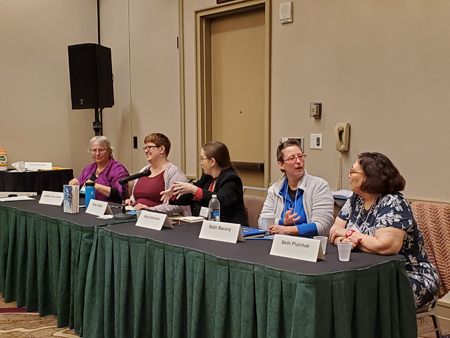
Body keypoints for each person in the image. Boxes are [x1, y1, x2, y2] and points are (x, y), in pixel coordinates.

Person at [329, 152, 439, 308]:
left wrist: (349, 235)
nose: (349, 176)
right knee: (342, 294)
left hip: (408, 276)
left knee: (358, 301)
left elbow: (385, 246)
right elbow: (334, 231)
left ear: (368, 176)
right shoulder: (356, 198)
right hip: (369, 274)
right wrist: (345, 241)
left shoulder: (393, 202)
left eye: (352, 171)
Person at [258, 139, 334, 237]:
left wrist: (287, 230)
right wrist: (282, 222)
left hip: (308, 245)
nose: (298, 161)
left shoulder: (319, 186)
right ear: (281, 165)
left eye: (301, 156)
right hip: (278, 244)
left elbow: (324, 225)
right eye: (292, 158)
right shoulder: (275, 190)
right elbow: (262, 222)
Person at [160, 141, 248, 226]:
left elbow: (221, 201)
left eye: (202, 159)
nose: (201, 163)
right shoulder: (206, 178)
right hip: (205, 226)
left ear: (212, 161)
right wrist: (173, 195)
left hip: (228, 229)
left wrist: (195, 190)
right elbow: (190, 196)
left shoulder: (231, 179)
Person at [125, 133, 190, 216]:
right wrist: (131, 202)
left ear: (161, 149)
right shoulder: (144, 170)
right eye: (145, 148)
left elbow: (179, 206)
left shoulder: (174, 172)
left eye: (149, 147)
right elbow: (135, 197)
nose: (146, 151)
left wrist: (150, 209)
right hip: (137, 216)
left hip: (159, 219)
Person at [69, 136, 129, 203]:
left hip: (109, 208)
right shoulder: (89, 168)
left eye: (101, 150)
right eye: (94, 150)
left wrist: (95, 186)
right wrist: (74, 183)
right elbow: (79, 184)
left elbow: (121, 194)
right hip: (86, 206)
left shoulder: (117, 169)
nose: (97, 154)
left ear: (109, 151)